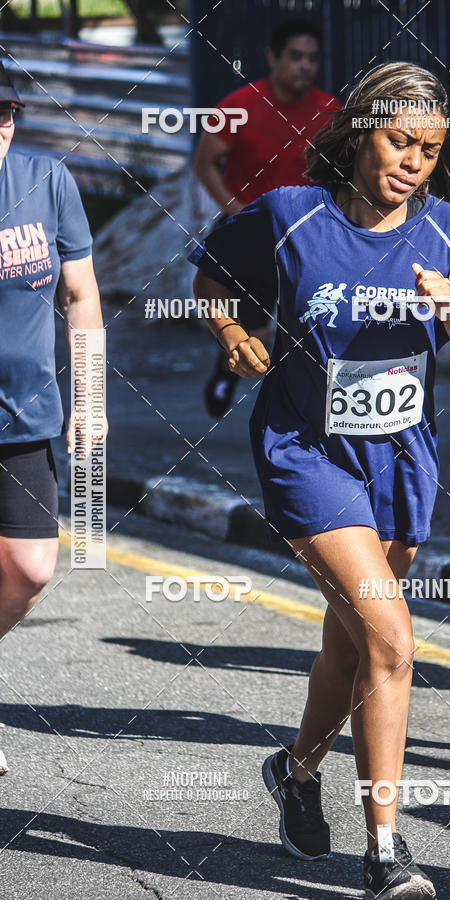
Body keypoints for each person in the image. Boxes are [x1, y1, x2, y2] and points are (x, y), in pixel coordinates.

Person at [188, 61, 450, 900]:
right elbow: (212, 278)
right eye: (400, 140)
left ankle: (298, 772)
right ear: (359, 133)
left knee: (352, 642)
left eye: (430, 149)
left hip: (402, 463)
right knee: (395, 641)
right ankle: (385, 851)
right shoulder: (289, 218)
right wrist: (230, 331)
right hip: (305, 451)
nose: (414, 160)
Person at [0, 61, 107, 775]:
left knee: (31, 569)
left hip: (25, 413)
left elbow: (82, 295)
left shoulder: (47, 180)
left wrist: (92, 397)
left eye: (5, 109)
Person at [192, 17, 340, 417]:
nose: (304, 66)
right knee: (254, 331)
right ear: (272, 58)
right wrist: (236, 212)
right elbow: (205, 163)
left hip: (309, 238)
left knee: (315, 323)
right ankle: (226, 372)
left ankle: (309, 403)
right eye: (295, 57)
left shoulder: (331, 112)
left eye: (311, 58)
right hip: (251, 235)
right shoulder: (240, 106)